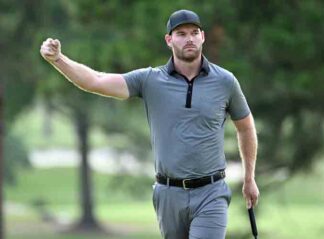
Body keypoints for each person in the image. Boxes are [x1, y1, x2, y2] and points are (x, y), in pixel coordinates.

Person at [40, 9, 259, 239]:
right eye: (181, 34)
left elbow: (245, 127)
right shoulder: (150, 80)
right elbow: (96, 80)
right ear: (169, 40)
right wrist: (58, 60)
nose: (190, 39)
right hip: (167, 195)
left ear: (202, 37)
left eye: (195, 33)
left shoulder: (225, 81)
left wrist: (248, 178)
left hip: (211, 192)